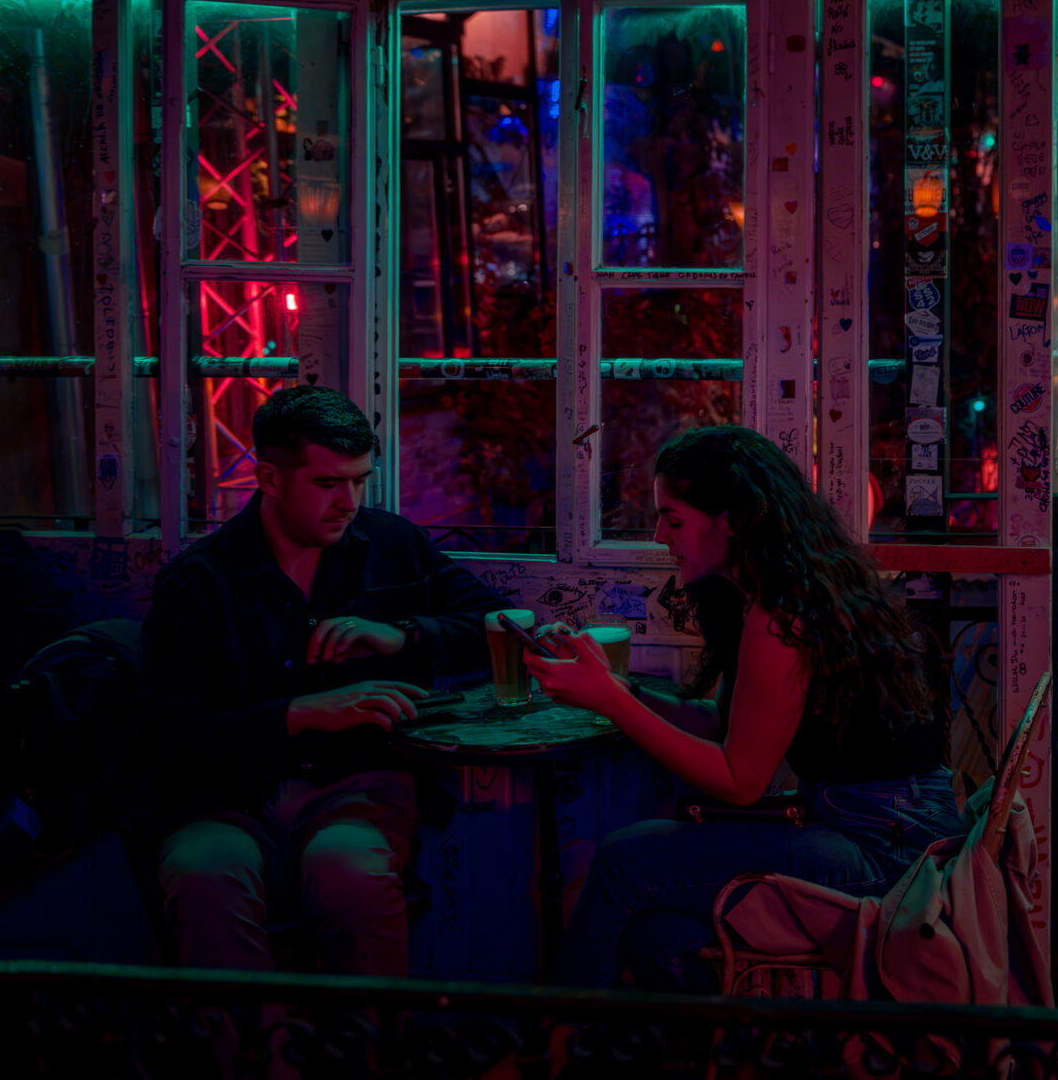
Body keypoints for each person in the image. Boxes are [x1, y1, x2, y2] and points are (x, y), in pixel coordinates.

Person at [530, 425, 962, 991]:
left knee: (621, 860)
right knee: (652, 934)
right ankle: (734, 1034)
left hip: (888, 851)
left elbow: (740, 782)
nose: (659, 536)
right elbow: (722, 726)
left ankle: (554, 1033)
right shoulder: (782, 590)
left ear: (730, 519)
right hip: (888, 826)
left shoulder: (781, 616)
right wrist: (622, 690)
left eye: (673, 520)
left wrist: (609, 701)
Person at [140, 386, 504, 976]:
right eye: (329, 484)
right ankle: (257, 1037)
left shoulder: (393, 545)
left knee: (350, 870)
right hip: (226, 799)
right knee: (204, 876)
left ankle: (366, 1034)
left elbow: (502, 623)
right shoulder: (197, 582)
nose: (350, 503)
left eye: (360, 481)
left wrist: (402, 634)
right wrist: (302, 712)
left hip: (357, 787)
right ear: (269, 478)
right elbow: (171, 736)